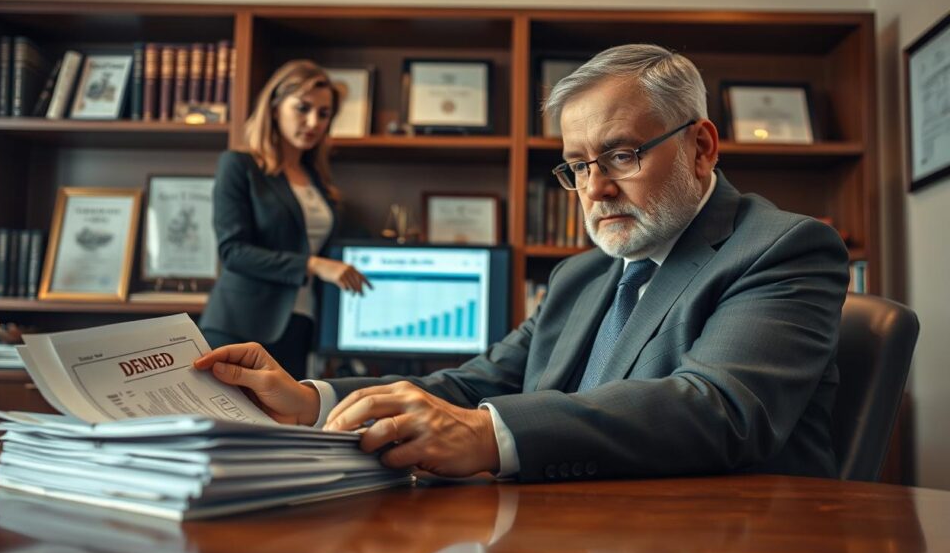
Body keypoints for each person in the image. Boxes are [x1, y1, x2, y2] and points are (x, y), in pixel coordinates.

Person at [194, 44, 849, 482]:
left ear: (701, 147)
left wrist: (487, 435)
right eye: (579, 165)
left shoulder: (782, 248)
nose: (594, 189)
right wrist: (315, 401)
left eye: (621, 155)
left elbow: (718, 408)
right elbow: (481, 383)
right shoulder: (584, 274)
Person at [200, 60, 371, 379]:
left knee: (282, 426)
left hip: (299, 325)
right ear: (275, 107)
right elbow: (233, 252)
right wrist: (313, 265)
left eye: (323, 114)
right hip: (241, 325)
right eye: (303, 108)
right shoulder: (240, 166)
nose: (313, 122)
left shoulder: (317, 180)